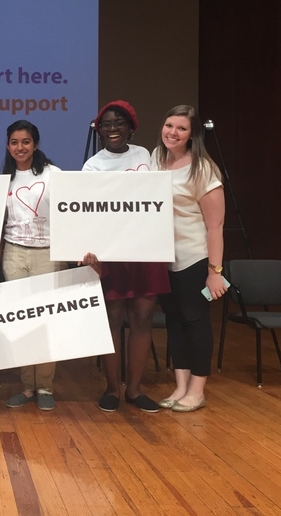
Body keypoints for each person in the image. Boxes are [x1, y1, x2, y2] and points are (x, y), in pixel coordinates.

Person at [80, 100, 171, 413]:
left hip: (146, 249)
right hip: (110, 253)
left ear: (131, 127)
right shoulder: (93, 165)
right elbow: (87, 212)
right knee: (112, 319)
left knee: (142, 318)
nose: (113, 128)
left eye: (119, 122)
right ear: (99, 130)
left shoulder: (146, 155)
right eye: (106, 124)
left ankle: (134, 389)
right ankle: (111, 389)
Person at [151, 105, 226, 412]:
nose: (173, 132)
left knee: (195, 321)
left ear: (192, 134)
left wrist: (215, 271)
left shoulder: (203, 169)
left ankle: (197, 389)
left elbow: (215, 226)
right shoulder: (155, 159)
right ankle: (180, 386)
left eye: (181, 128)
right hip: (162, 259)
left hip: (194, 258)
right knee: (174, 322)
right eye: (169, 125)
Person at [0, 120, 62, 411]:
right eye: (15, 142)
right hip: (14, 254)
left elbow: (69, 213)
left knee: (44, 321)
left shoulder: (53, 174)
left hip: (48, 253)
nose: (20, 147)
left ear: (36, 144)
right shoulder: (3, 179)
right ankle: (27, 387)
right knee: (20, 322)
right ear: (8, 146)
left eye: (26, 141)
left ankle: (44, 387)